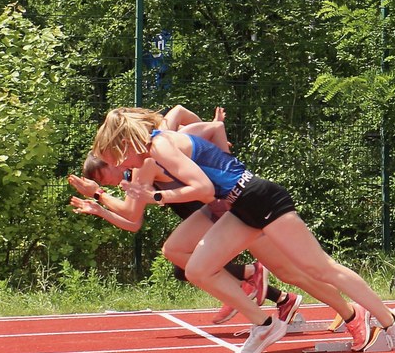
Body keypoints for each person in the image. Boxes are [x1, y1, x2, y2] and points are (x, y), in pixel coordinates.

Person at [92, 108, 395, 353]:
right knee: (197, 270)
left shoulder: (161, 144)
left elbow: (203, 189)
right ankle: (265, 325)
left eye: (117, 158)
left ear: (125, 141)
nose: (122, 166)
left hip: (258, 197)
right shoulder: (151, 154)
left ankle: (391, 320)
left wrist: (156, 198)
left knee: (319, 268)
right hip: (238, 208)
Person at [69, 106, 302, 325]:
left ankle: (261, 295)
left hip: (218, 204)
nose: (107, 180)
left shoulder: (150, 152)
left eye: (104, 172)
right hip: (205, 209)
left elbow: (188, 116)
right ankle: (278, 298)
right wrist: (100, 207)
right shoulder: (135, 170)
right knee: (187, 268)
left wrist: (216, 150)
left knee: (293, 266)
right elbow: (133, 222)